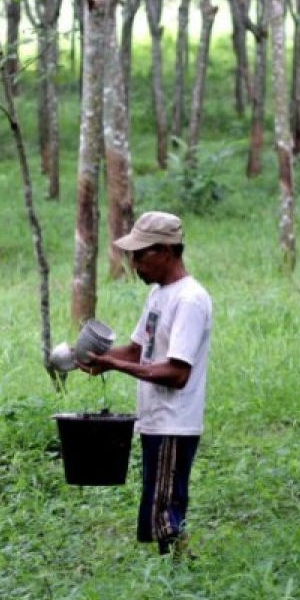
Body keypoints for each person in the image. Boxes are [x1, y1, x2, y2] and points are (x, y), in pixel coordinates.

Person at [77, 211, 213, 556]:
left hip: (174, 421)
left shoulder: (190, 300)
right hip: (155, 419)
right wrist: (98, 360)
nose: (135, 264)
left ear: (166, 252)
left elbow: (177, 373)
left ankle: (180, 576)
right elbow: (139, 351)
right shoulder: (158, 295)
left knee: (165, 511)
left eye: (140, 255)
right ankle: (176, 572)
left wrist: (115, 365)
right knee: (159, 503)